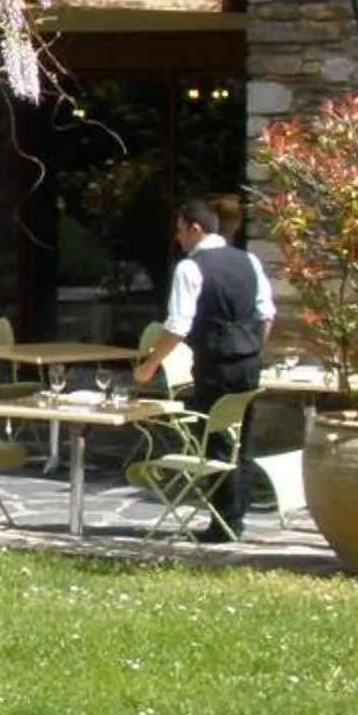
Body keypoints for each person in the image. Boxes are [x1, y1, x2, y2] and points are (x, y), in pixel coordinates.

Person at [132, 199, 275, 541]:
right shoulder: (248, 260)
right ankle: (234, 517)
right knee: (242, 439)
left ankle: (223, 524)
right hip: (249, 361)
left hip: (215, 364)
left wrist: (149, 365)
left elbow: (178, 325)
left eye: (180, 230)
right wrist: (253, 348)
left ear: (196, 228)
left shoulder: (190, 267)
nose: (178, 238)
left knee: (216, 442)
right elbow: (266, 314)